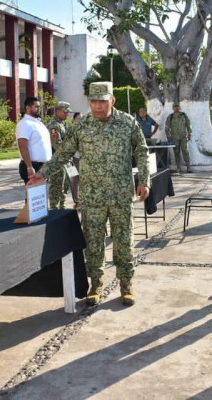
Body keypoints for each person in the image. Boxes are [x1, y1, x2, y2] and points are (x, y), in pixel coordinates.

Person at [29, 82, 150, 306]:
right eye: (93, 101)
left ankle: (126, 284)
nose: (97, 106)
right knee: (93, 242)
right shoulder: (81, 125)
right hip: (92, 198)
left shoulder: (127, 122)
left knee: (124, 241)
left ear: (112, 100)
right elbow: (63, 154)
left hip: (121, 195)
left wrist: (144, 180)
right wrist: (43, 173)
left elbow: (141, 151)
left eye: (102, 101)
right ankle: (95, 283)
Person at [16, 97, 52, 185]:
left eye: (39, 107)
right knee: (33, 195)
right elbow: (22, 146)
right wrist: (29, 166)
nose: (39, 109)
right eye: (36, 107)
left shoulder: (38, 123)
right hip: (33, 165)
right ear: (28, 108)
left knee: (40, 196)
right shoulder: (25, 124)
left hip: (43, 166)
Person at [46, 101, 73, 209]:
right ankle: (54, 208)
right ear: (57, 111)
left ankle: (62, 206)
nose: (67, 114)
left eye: (68, 112)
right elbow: (57, 144)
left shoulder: (63, 124)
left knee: (65, 185)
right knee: (57, 186)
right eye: (65, 112)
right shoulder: (54, 125)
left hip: (65, 160)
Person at [165, 102, 192, 173]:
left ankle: (188, 167)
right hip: (174, 137)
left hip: (183, 137)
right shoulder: (170, 116)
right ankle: (178, 167)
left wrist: (189, 134)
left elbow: (188, 124)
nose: (176, 108)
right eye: (175, 107)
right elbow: (167, 127)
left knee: (185, 151)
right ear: (172, 108)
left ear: (179, 107)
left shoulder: (184, 115)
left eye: (177, 106)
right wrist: (168, 135)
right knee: (176, 152)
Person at [70, 112, 82, 207]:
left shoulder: (82, 129)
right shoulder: (71, 130)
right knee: (75, 179)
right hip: (75, 158)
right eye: (78, 118)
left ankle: (81, 199)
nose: (80, 120)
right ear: (73, 119)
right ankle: (76, 201)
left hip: (83, 158)